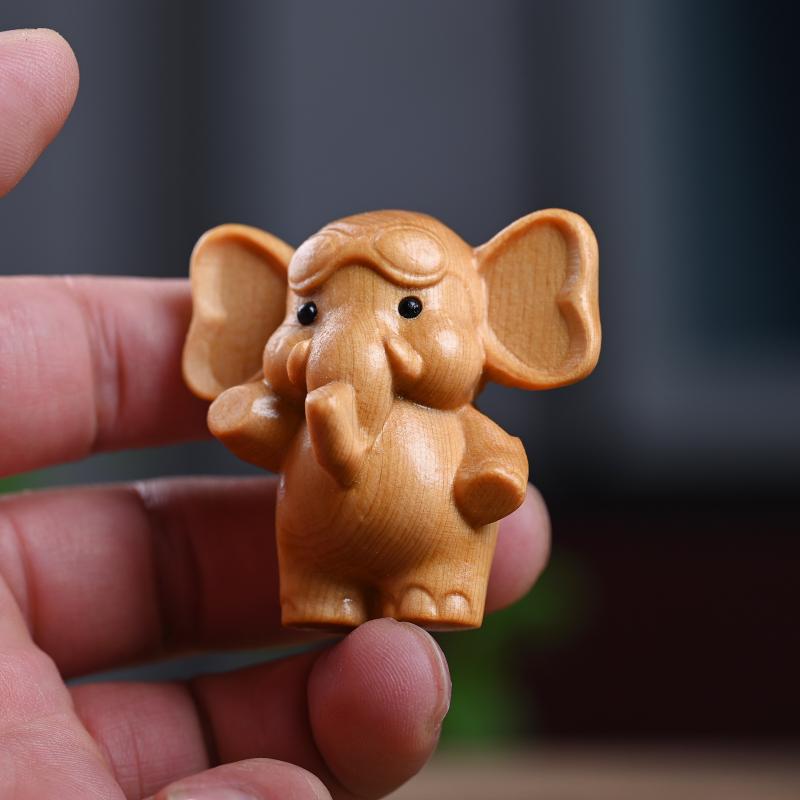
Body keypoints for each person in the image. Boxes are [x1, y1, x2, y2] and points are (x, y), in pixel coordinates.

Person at [0, 28, 550, 800]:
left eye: (410, 308)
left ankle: (440, 582)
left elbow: (495, 455)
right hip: (315, 548)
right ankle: (322, 591)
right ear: (262, 309)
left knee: (430, 604)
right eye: (311, 312)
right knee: (346, 628)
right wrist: (246, 412)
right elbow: (258, 428)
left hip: (439, 543)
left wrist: (493, 476)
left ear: (508, 315)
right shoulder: (296, 397)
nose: (341, 338)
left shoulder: (453, 417)